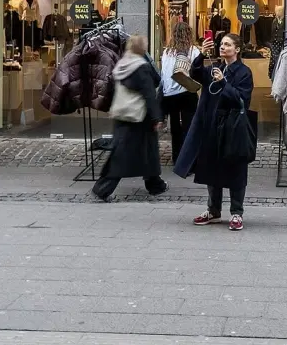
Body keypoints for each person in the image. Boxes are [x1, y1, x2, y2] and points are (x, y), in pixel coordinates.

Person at [175, 33, 254, 231]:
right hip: (211, 125)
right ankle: (213, 210)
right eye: (221, 44)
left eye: (228, 45)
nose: (223, 47)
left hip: (232, 127)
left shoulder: (244, 72)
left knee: (235, 169)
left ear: (237, 49)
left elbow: (241, 99)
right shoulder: (215, 67)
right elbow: (195, 74)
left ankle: (237, 212)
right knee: (212, 167)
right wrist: (202, 54)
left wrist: (223, 83)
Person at [92, 35, 168, 201]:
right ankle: (103, 188)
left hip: (122, 114)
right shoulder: (141, 67)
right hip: (139, 117)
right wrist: (157, 117)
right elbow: (150, 92)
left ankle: (155, 184)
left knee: (140, 152)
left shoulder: (122, 64)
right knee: (127, 155)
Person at [159, 21, 201, 162]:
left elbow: (164, 73)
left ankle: (177, 158)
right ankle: (188, 160)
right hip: (187, 92)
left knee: (175, 128)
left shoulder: (166, 52)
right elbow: (197, 73)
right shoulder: (193, 51)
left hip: (169, 94)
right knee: (189, 128)